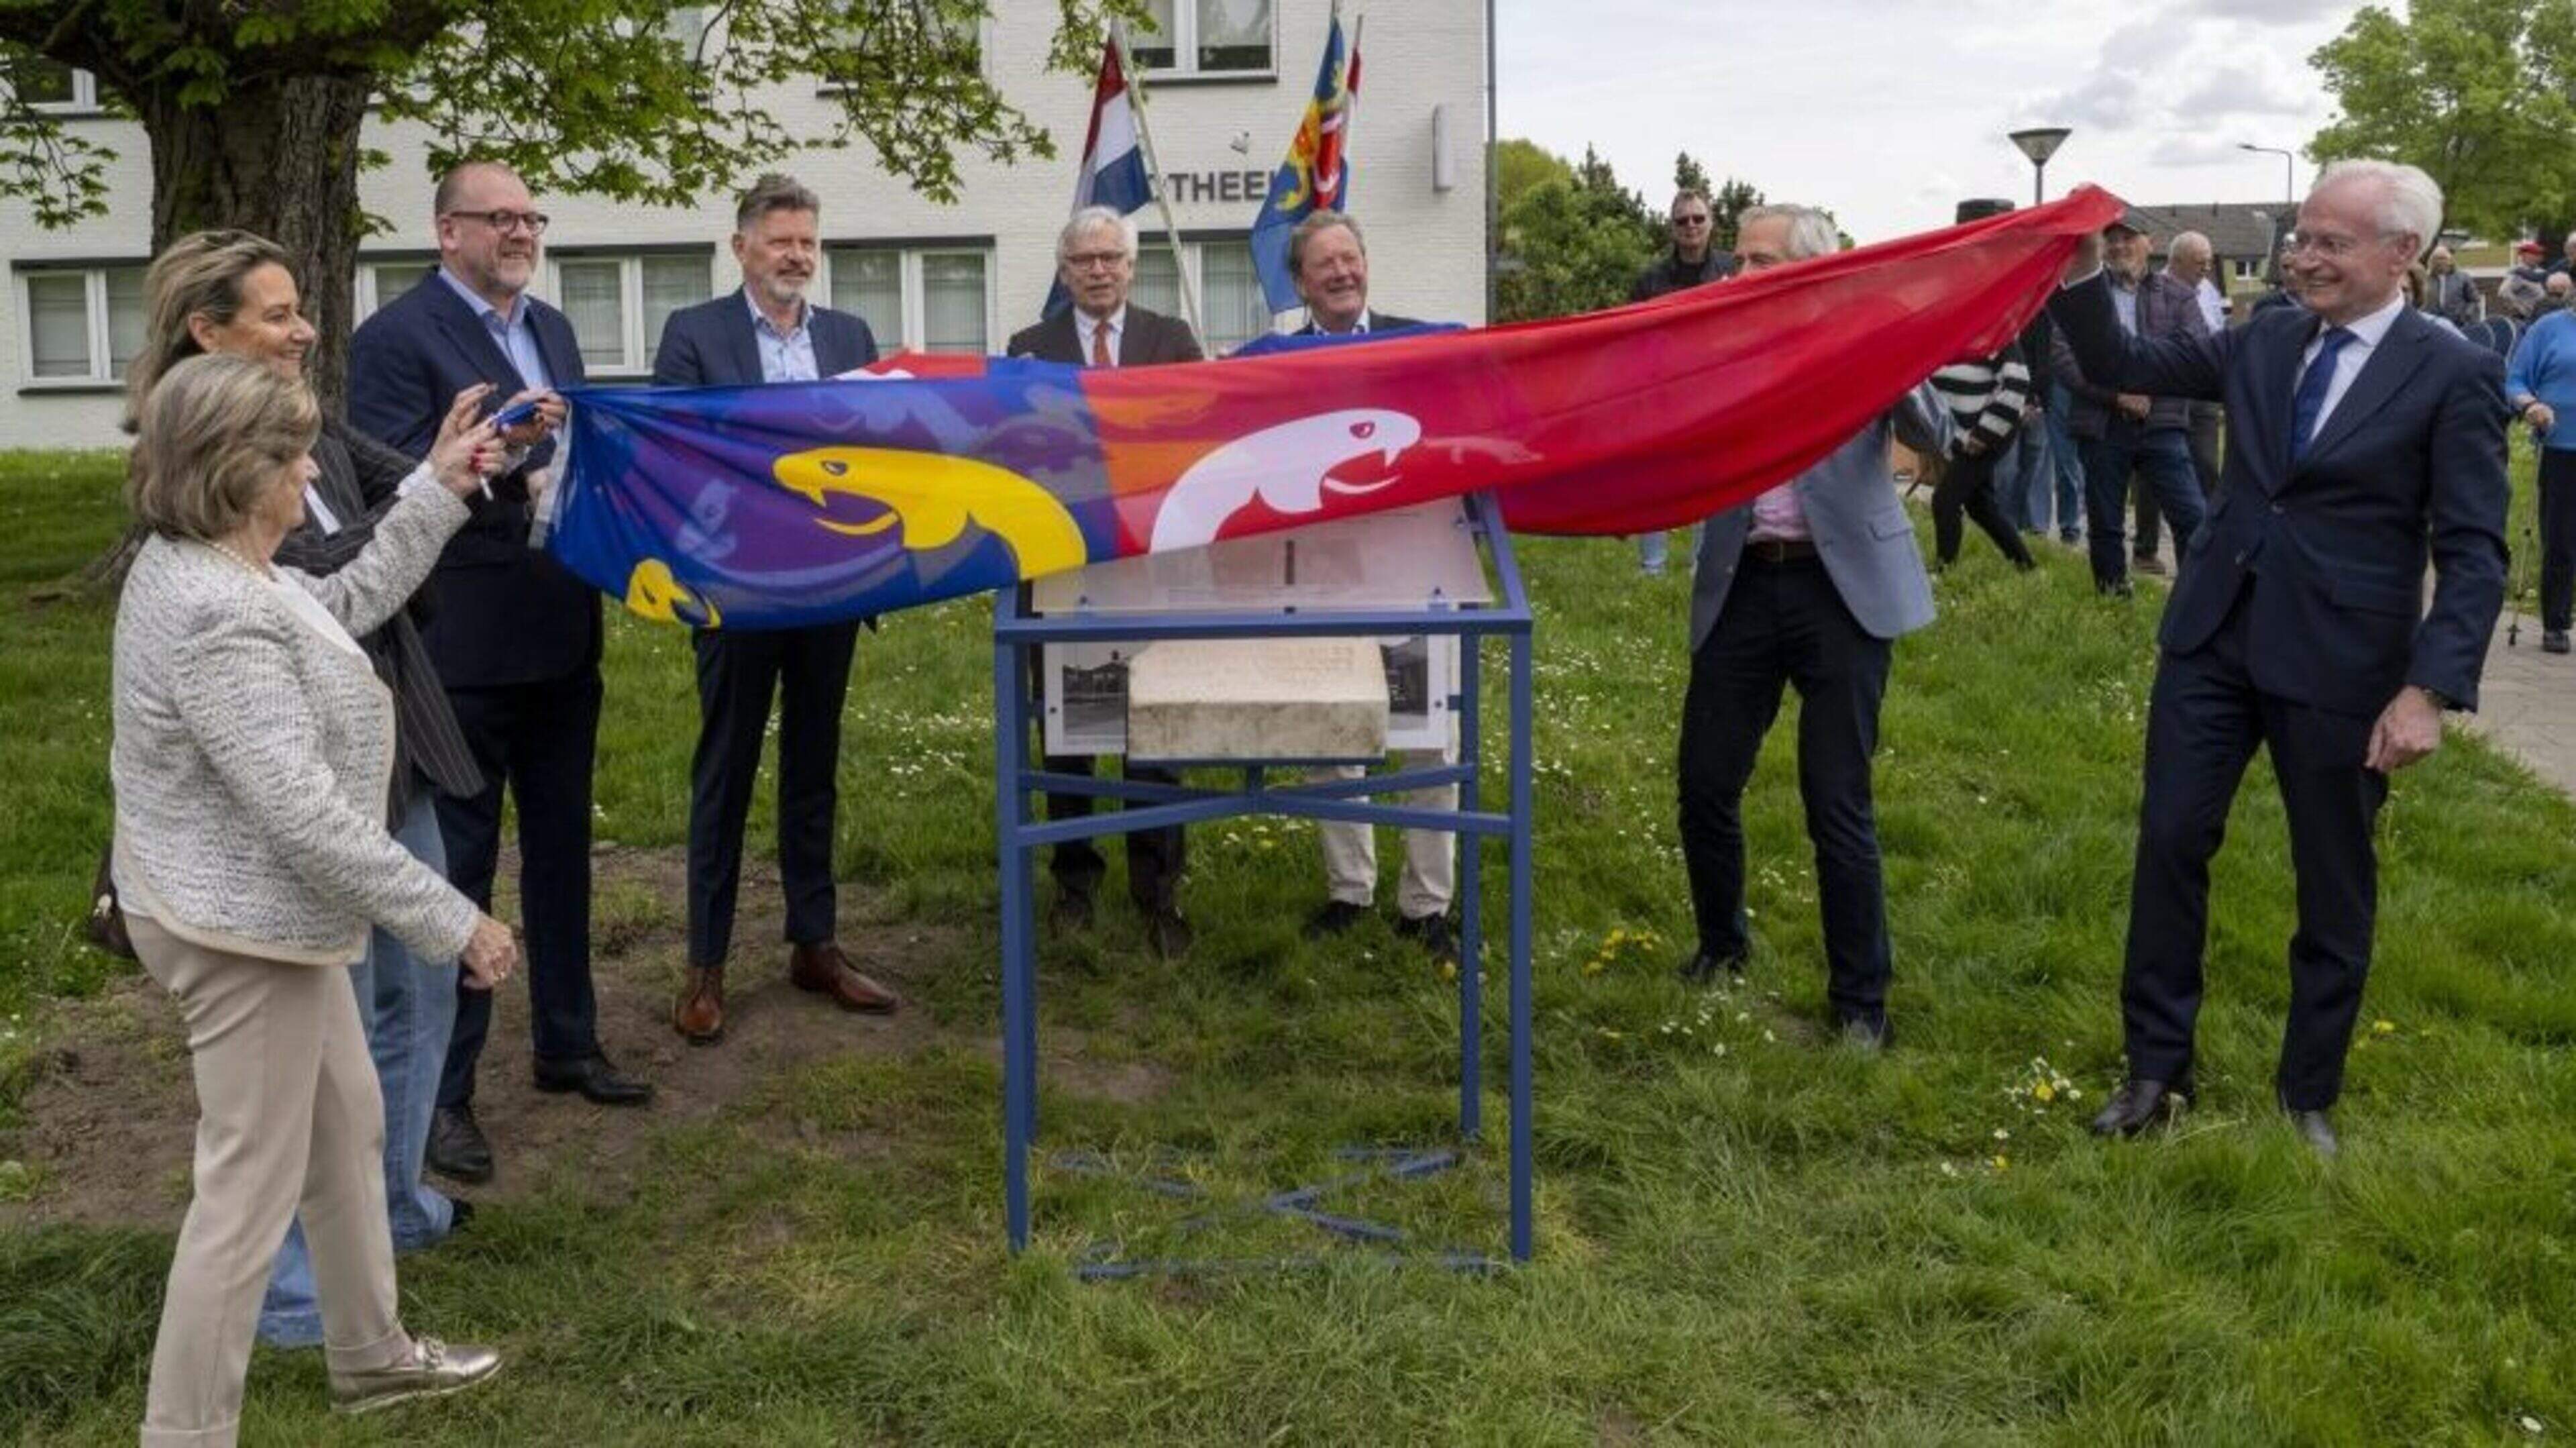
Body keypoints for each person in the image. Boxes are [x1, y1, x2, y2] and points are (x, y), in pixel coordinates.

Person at [2053, 159, 2508, 1155]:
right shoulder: (2263, 338)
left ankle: (2307, 1094)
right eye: (2300, 237)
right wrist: (2080, 265)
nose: (2302, 258)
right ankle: (2155, 1069)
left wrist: (2429, 689)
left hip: (2344, 664)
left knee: (2332, 880)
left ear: (2403, 255)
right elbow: (2127, 363)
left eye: (2329, 243)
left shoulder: (2453, 371)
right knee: (2170, 840)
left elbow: (2475, 549)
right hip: (2214, 636)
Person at [113, 352, 513, 1443]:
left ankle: (371, 1355)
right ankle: (183, 1431)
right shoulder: (216, 612)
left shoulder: (229, 568)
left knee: (346, 1128)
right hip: (240, 930)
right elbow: (304, 816)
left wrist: (437, 490)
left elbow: (343, 600)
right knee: (245, 1196)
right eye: (294, 458)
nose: (311, 477)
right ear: (243, 474)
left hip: (251, 907)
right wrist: (455, 919)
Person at [350, 160, 651, 1192]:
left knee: (564, 851)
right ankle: (442, 1095)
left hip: (563, 629)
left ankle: (569, 1040)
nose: (521, 230)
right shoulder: (396, 339)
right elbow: (388, 478)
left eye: (531, 215)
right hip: (464, 647)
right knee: (458, 874)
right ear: (447, 233)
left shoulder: (554, 328)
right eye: (500, 217)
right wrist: (495, 460)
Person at [1674, 204, 1948, 1050]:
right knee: (1704, 783)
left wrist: (1877, 343)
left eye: (1761, 262)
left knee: (1837, 801)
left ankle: (1861, 1003)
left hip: (1841, 591)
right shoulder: (1720, 341)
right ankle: (1723, 945)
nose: (1741, 275)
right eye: (1740, 261)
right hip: (1746, 581)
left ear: (1809, 267)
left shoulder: (1863, 337)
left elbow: (1936, 434)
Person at [653, 174, 900, 1042]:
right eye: (781, 240)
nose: (797, 256)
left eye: (808, 241)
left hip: (830, 588)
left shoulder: (850, 335)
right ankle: (706, 964)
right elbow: (681, 459)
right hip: (735, 591)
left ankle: (814, 940)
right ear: (742, 248)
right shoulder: (696, 335)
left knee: (813, 765)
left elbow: (873, 451)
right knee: (724, 771)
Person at [1006, 206, 1204, 958]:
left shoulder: (1171, 341)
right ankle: (1075, 883)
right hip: (1061, 568)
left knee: (1155, 729)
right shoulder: (1029, 351)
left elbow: (1192, 434)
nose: (1098, 270)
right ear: (1063, 272)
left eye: (1111, 258)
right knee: (1067, 730)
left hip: (1154, 567)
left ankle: (1159, 893)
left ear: (1131, 266)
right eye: (1084, 259)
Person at [1267, 211, 1458, 961]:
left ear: (1368, 264)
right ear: (1301, 281)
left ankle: (1426, 905)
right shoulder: (1274, 364)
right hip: (1323, 574)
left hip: (1418, 571)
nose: (1342, 272)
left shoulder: (1421, 347)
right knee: (1332, 734)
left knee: (1430, 740)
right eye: (1325, 264)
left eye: (1351, 257)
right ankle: (1349, 891)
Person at [2048, 211, 2208, 597]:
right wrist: (2117, 396)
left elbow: (2196, 349)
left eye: (2129, 238)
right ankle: (2113, 601)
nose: (2119, 246)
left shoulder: (2178, 295)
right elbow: (2063, 356)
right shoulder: (2081, 295)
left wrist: (2148, 385)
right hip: (2102, 423)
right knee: (2106, 522)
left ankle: (2193, 600)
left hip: (2163, 421)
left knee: (2193, 517)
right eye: (2111, 239)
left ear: (2149, 243)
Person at [1630, 188, 1735, 576]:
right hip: (1664, 392)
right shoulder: (1650, 280)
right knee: (1655, 479)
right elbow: (1633, 340)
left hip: (1717, 391)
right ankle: (1652, 566)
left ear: (1711, 223)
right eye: (1682, 221)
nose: (1690, 226)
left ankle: (1701, 565)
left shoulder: (1733, 270)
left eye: (1698, 218)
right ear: (1672, 228)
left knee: (1708, 478)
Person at [2506, 287, 2576, 654]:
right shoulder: (2549, 328)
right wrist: (2531, 404)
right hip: (2561, 447)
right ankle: (2557, 623)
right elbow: (2515, 380)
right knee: (2562, 540)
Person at [1926, 342, 2037, 569]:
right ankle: (2025, 564)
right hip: (1964, 434)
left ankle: (1944, 570)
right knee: (1980, 506)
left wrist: (1986, 433)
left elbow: (2017, 383)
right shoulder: (1948, 328)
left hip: (1988, 432)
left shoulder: (1994, 329)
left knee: (1945, 500)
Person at [2163, 232, 2229, 509]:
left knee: (2207, 463)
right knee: (2160, 464)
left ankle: (2212, 528)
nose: (2207, 268)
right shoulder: (2156, 291)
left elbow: (2218, 331)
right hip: (2167, 390)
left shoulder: (2208, 290)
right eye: (2199, 262)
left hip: (2202, 389)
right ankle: (2146, 544)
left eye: (2209, 262)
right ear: (2176, 261)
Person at [2426, 244, 2483, 329]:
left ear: (2450, 261)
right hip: (2433, 326)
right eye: (2437, 259)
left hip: (2458, 325)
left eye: (2444, 258)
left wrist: (2466, 315)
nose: (2441, 262)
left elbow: (2475, 301)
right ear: (2432, 261)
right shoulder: (2425, 279)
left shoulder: (2463, 278)